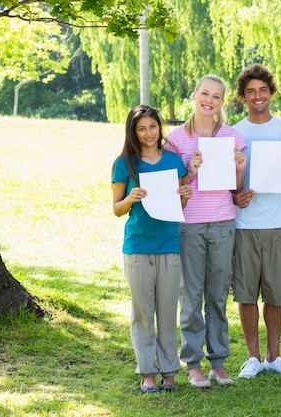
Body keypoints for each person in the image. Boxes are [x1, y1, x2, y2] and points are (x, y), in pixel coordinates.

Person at [165, 74, 246, 388]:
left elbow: (236, 188)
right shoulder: (175, 140)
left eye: (216, 96)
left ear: (222, 103)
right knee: (191, 296)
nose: (209, 100)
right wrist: (190, 172)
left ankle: (219, 362)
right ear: (194, 95)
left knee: (217, 297)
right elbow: (173, 189)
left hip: (224, 224)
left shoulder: (232, 137)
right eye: (204, 93)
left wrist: (238, 169)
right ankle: (193, 364)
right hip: (190, 227)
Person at [231, 64, 281, 379]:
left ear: (271, 93)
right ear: (243, 97)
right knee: (246, 294)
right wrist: (236, 196)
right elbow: (229, 184)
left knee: (276, 293)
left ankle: (274, 356)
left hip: (278, 224)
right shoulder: (235, 132)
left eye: (262, 90)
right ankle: (252, 357)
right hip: (243, 225)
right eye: (251, 91)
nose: (257, 96)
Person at [112, 105, 192, 393]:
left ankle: (169, 371)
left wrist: (185, 194)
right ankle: (147, 371)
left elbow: (178, 207)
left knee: (168, 311)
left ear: (160, 128)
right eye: (141, 128)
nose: (148, 133)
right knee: (142, 313)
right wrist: (131, 198)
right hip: (137, 247)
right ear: (133, 132)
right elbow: (116, 210)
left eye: (153, 127)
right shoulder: (125, 164)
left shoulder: (174, 162)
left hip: (169, 246)